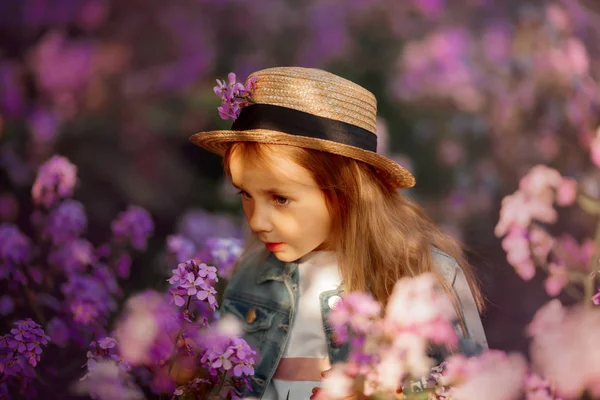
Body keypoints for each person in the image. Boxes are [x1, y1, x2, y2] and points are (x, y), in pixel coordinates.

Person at [189, 66, 488, 399]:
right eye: (245, 193)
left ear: (346, 191)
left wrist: (390, 390)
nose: (257, 220)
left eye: (281, 198)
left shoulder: (424, 275)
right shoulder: (251, 276)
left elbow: (476, 385)